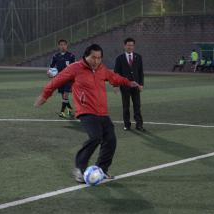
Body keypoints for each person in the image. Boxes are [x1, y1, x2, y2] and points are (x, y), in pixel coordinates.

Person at [34, 44, 141, 183]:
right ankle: (79, 168)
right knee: (95, 137)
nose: (96, 61)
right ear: (86, 56)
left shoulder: (102, 69)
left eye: (99, 58)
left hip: (102, 112)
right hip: (86, 111)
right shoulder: (75, 68)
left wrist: (128, 82)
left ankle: (102, 170)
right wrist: (44, 96)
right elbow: (56, 81)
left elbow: (114, 77)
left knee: (111, 140)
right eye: (93, 58)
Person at [114, 38, 145, 132]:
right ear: (124, 46)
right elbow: (116, 73)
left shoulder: (138, 57)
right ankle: (127, 125)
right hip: (125, 86)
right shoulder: (119, 58)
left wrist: (141, 84)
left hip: (136, 86)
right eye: (128, 45)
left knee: (137, 106)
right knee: (126, 106)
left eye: (131, 45)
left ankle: (139, 125)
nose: (130, 47)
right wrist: (116, 86)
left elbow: (140, 72)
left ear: (134, 46)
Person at [49, 39, 76, 119]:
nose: (62, 46)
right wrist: (50, 73)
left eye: (64, 44)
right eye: (61, 44)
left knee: (65, 95)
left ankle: (62, 112)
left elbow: (75, 67)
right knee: (64, 97)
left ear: (67, 45)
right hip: (59, 78)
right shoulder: (55, 56)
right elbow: (51, 67)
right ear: (58, 46)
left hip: (68, 78)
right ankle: (70, 110)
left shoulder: (71, 56)